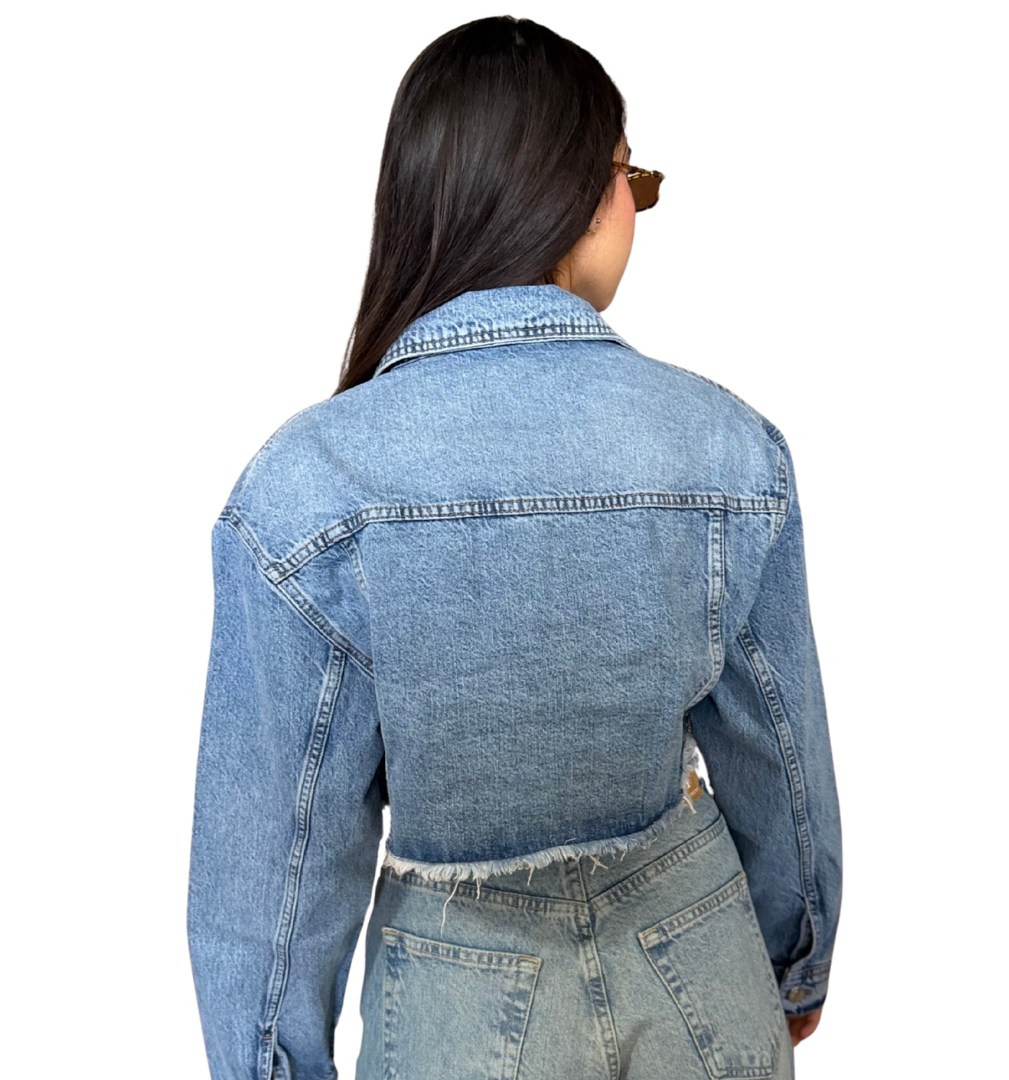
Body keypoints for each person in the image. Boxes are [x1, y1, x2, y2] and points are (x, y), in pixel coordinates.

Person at [187, 15, 842, 1080]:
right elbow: (779, 757)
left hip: (454, 1003)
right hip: (700, 966)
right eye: (632, 177)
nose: (635, 208)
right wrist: (794, 965)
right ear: (574, 190)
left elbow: (280, 861)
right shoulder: (726, 446)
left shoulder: (308, 490)